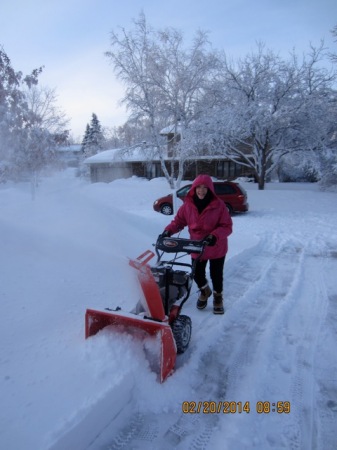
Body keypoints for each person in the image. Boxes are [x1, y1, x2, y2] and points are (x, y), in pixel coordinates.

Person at [161, 174, 233, 314]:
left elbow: (227, 226)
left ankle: (218, 298)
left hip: (216, 245)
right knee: (197, 274)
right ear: (194, 188)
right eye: (198, 187)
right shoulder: (188, 206)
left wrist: (214, 235)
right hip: (196, 245)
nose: (201, 190)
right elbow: (178, 222)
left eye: (205, 188)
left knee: (216, 274)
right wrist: (168, 231)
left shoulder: (219, 206)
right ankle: (205, 290)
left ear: (210, 189)